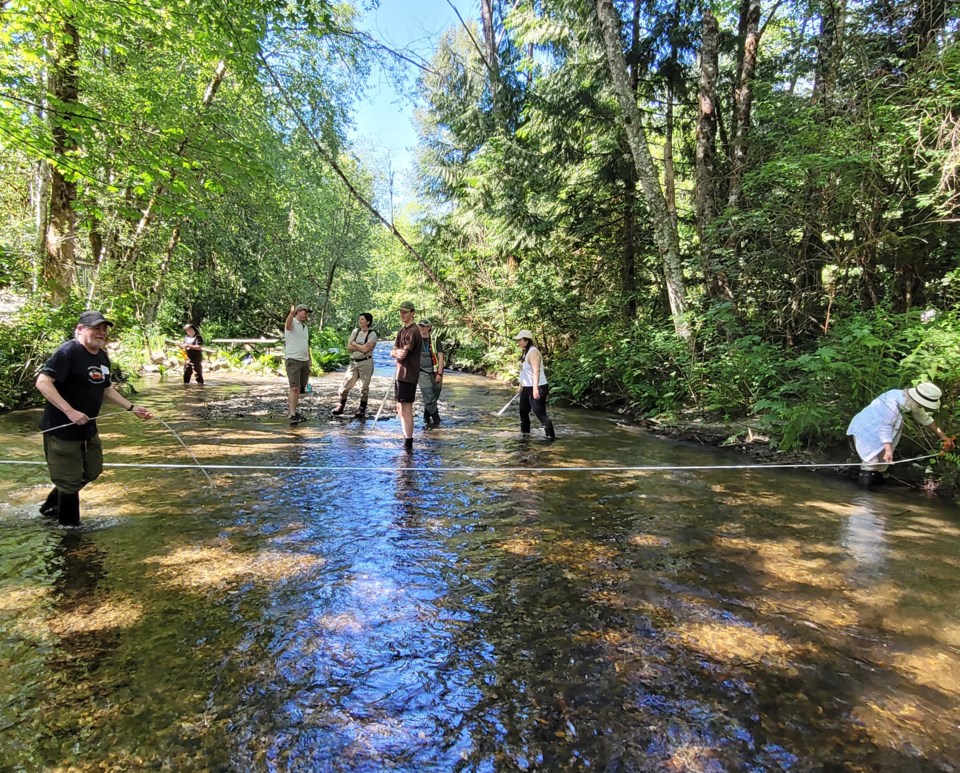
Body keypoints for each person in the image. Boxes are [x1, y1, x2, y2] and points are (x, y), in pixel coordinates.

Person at [35, 310, 153, 525]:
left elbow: (106, 390)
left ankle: (50, 506)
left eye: (104, 329)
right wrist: (69, 411)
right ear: (80, 329)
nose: (101, 333)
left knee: (92, 470)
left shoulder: (101, 355)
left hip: (88, 428)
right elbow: (43, 382)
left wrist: (132, 408)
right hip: (61, 430)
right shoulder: (68, 352)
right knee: (69, 480)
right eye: (95, 328)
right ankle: (71, 533)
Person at [847, 382, 953, 487]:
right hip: (867, 427)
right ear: (916, 399)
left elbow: (924, 418)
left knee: (882, 464)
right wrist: (888, 451)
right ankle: (864, 494)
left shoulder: (910, 400)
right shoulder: (892, 404)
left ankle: (873, 490)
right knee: (871, 461)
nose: (922, 406)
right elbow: (886, 427)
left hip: (883, 428)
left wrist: (943, 437)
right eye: (922, 404)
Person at [331, 312, 378, 419]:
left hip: (366, 362)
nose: (360, 321)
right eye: (359, 319)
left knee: (364, 387)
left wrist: (356, 345)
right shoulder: (355, 332)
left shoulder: (372, 334)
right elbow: (349, 347)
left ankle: (362, 408)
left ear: (368, 322)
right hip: (354, 362)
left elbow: (366, 349)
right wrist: (360, 347)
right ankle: (340, 405)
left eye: (362, 319)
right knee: (346, 384)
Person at [391, 301, 422, 450]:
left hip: (409, 374)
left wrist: (396, 353)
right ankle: (405, 437)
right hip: (399, 374)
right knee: (400, 407)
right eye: (401, 312)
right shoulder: (402, 331)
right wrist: (395, 352)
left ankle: (408, 442)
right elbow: (394, 350)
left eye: (405, 312)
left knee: (406, 408)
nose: (402, 314)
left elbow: (402, 354)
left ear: (412, 313)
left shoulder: (414, 331)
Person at [515, 329, 556, 440]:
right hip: (526, 387)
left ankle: (550, 436)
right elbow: (523, 371)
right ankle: (525, 435)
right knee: (523, 411)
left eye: (520, 340)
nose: (518, 342)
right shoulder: (525, 352)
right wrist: (520, 385)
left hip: (538, 386)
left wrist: (535, 389)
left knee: (539, 412)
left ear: (526, 340)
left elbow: (536, 371)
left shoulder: (533, 352)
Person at [284, 304, 311, 424]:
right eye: (305, 312)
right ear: (298, 312)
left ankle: (294, 410)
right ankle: (292, 413)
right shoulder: (293, 322)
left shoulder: (305, 327)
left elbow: (305, 343)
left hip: (304, 360)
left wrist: (309, 358)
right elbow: (287, 325)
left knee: (300, 388)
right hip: (293, 359)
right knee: (294, 387)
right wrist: (291, 312)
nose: (307, 314)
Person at [417, 319, 444, 426]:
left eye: (424, 326)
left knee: (434, 395)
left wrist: (440, 374)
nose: (422, 328)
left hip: (435, 371)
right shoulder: (416, 339)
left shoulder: (435, 340)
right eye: (420, 326)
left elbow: (440, 357)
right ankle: (437, 420)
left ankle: (426, 416)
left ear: (429, 328)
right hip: (421, 371)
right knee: (428, 394)